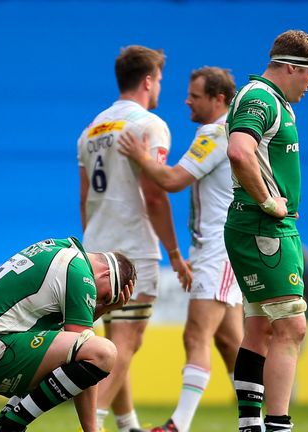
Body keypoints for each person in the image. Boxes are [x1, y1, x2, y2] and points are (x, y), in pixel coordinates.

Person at [116, 66, 244, 432]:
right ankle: (256, 421)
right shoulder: (229, 132)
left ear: (218, 99)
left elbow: (172, 181)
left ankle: (179, 425)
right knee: (228, 342)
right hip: (218, 247)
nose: (187, 100)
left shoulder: (215, 132)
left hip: (218, 249)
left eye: (196, 95)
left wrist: (142, 159)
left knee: (195, 336)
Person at [77, 45, 193, 432]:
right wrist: (174, 252)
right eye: (159, 79)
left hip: (95, 246)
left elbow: (84, 198)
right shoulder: (149, 125)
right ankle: (92, 422)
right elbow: (157, 194)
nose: (160, 87)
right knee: (127, 343)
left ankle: (128, 426)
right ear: (148, 80)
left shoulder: (91, 129)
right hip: (132, 249)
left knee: (114, 340)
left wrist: (91, 243)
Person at [224, 30, 308, 432]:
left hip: (259, 225)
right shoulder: (261, 98)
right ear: (291, 67)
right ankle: (279, 425)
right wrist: (269, 200)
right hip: (264, 226)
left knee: (261, 327)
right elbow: (239, 150)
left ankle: (251, 426)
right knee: (291, 326)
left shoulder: (272, 100)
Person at [0, 237, 136, 432]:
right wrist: (92, 429)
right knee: (104, 353)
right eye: (104, 297)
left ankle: (4, 423)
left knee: (71, 367)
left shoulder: (61, 248)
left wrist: (105, 308)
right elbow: (87, 351)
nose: (97, 301)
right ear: (107, 274)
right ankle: (8, 426)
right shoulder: (80, 274)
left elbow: (67, 340)